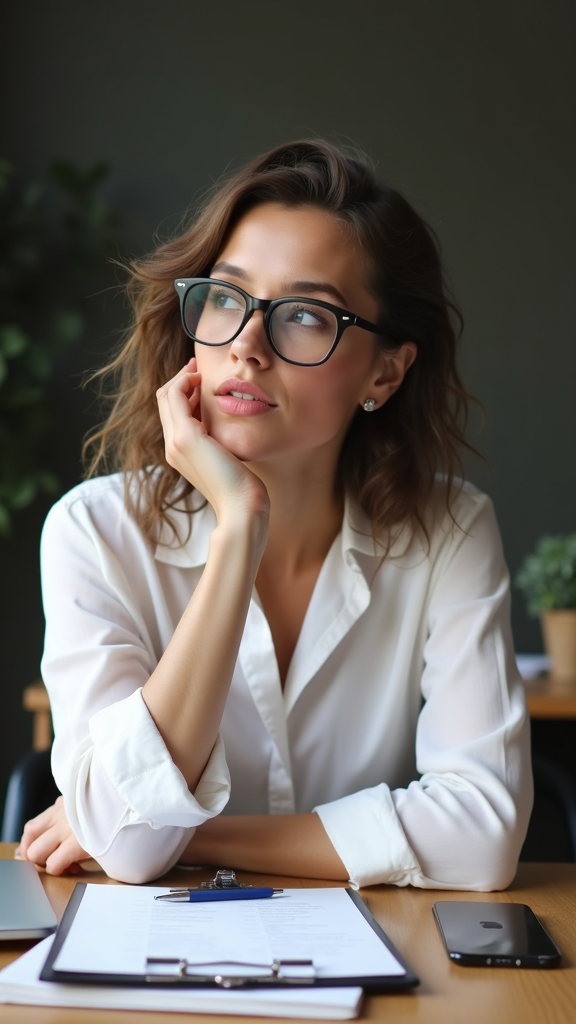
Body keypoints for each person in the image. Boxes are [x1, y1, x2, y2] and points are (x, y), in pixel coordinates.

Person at [17, 140, 532, 890]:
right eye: (226, 298)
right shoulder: (93, 533)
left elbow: (481, 837)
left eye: (305, 315)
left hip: (383, 973)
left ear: (384, 371)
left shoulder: (448, 529)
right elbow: (130, 849)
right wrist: (238, 527)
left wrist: (193, 831)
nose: (248, 347)